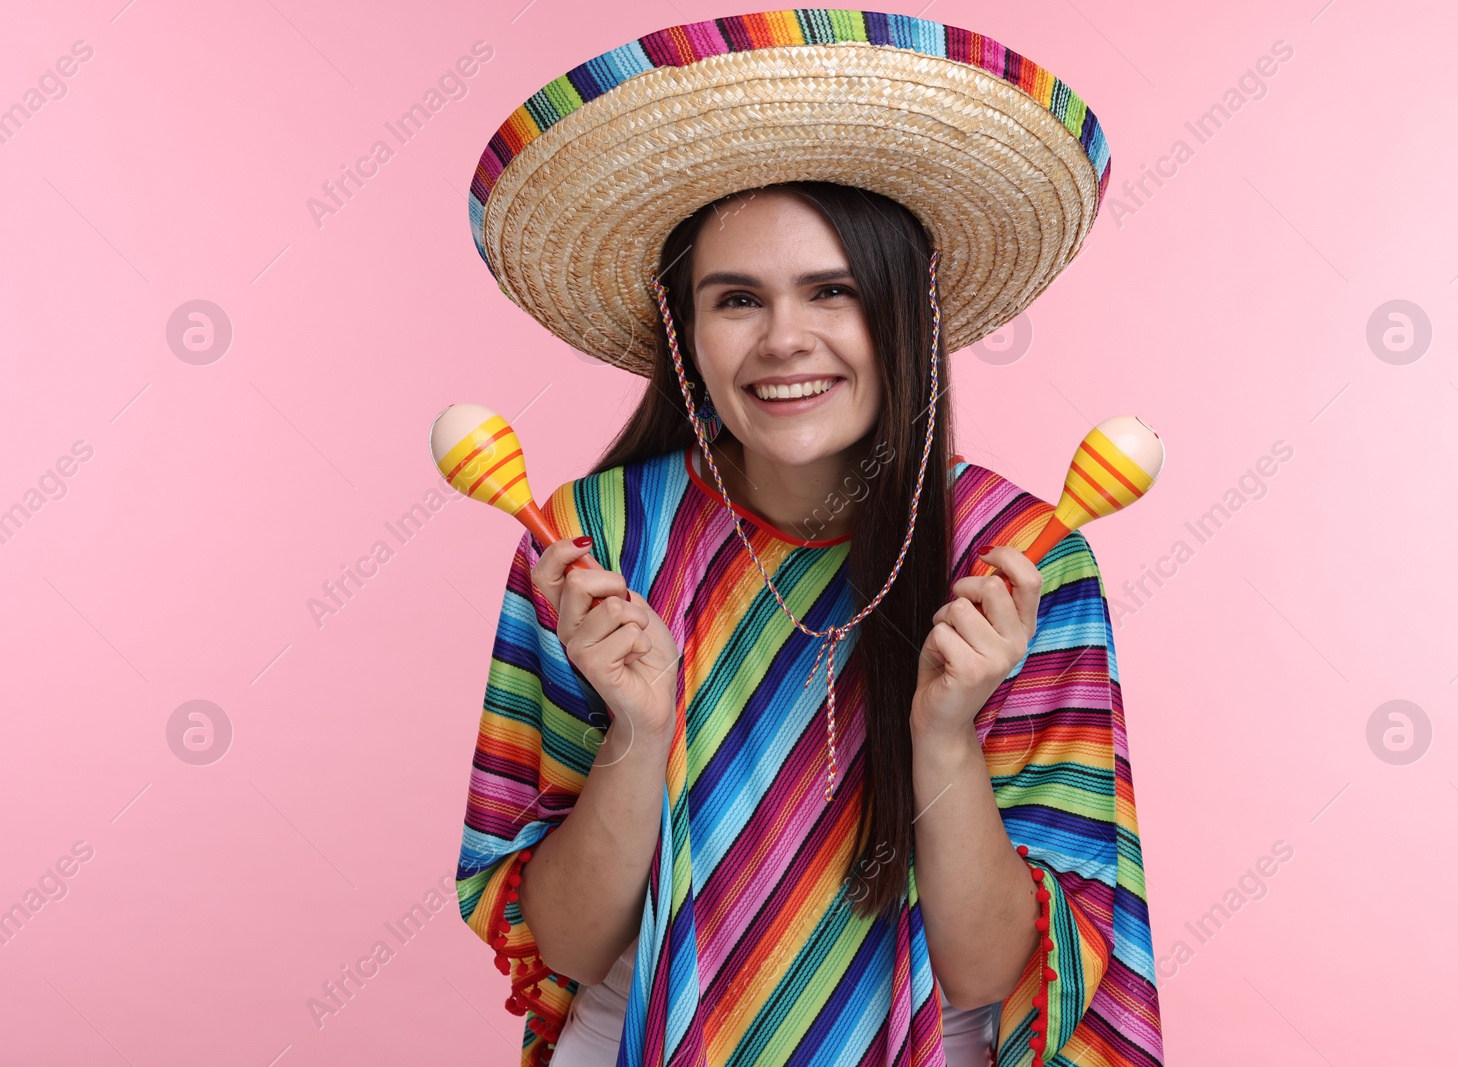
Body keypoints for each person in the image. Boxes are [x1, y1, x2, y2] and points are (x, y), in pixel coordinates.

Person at [453, 11, 1163, 1067]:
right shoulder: (586, 545)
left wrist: (943, 732)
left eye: (831, 290)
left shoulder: (1018, 556)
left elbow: (987, 971)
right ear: (685, 334)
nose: (784, 338)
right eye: (736, 298)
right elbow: (565, 940)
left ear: (903, 311)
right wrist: (639, 733)